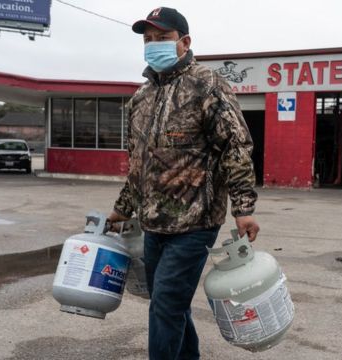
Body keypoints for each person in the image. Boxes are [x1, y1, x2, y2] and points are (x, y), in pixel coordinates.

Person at [107, 7, 260, 360]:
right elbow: (138, 166)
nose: (153, 45)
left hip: (195, 223)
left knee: (164, 305)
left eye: (162, 38)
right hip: (154, 225)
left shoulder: (206, 85)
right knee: (172, 304)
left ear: (184, 42)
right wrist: (121, 210)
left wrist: (244, 209)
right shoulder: (141, 99)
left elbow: (234, 147)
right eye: (148, 40)